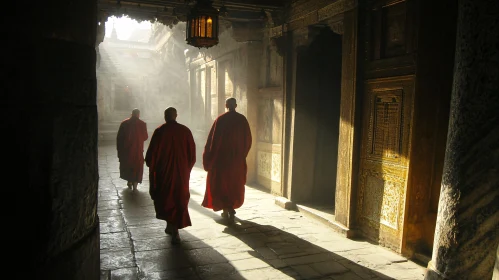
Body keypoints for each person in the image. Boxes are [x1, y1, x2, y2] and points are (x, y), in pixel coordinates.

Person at [145, 107, 196, 244]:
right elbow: (192, 156)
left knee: (166, 198)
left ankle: (171, 226)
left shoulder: (159, 132)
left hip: (164, 174)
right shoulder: (185, 131)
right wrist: (185, 169)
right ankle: (174, 228)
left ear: (165, 116)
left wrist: (155, 165)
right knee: (179, 198)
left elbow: (150, 157)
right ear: (176, 116)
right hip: (181, 174)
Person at [202, 97, 252, 223]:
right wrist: (241, 155)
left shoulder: (220, 120)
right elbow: (248, 140)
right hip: (236, 160)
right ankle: (230, 206)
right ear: (235, 105)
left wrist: (209, 158)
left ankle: (226, 207)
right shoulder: (242, 120)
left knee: (222, 184)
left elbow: (212, 142)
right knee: (234, 183)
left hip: (221, 160)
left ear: (226, 105)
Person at [116, 108, 148, 191]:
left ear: (131, 114)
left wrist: (119, 151)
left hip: (126, 150)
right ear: (138, 114)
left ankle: (129, 181)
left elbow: (119, 138)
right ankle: (135, 185)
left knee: (128, 165)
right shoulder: (142, 124)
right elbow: (145, 137)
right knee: (137, 166)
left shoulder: (124, 123)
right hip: (137, 150)